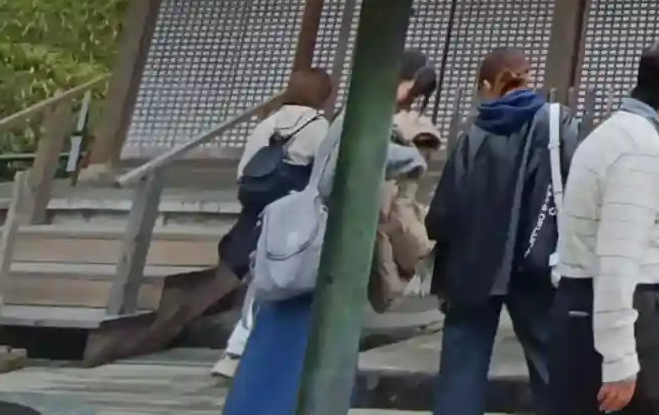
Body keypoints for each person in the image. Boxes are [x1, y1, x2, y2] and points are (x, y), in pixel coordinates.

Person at [221, 130, 433, 415]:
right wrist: (412, 157)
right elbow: (333, 178)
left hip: (297, 264)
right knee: (305, 356)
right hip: (322, 263)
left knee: (271, 356)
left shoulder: (341, 129)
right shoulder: (366, 122)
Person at [551, 39, 659, 415]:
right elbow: (618, 258)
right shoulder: (637, 149)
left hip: (586, 302)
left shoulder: (616, 134)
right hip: (623, 306)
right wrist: (619, 359)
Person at [428, 49, 574, 415]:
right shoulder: (556, 124)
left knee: (461, 367)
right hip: (538, 260)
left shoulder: (474, 134)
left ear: (485, 84)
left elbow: (445, 210)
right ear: (529, 77)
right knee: (552, 365)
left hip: (472, 263)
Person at [215, 67, 334, 380]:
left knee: (259, 277)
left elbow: (244, 170)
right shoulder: (318, 126)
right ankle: (240, 349)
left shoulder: (268, 122)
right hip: (291, 215)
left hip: (256, 210)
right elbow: (324, 176)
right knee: (276, 282)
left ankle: (237, 351)